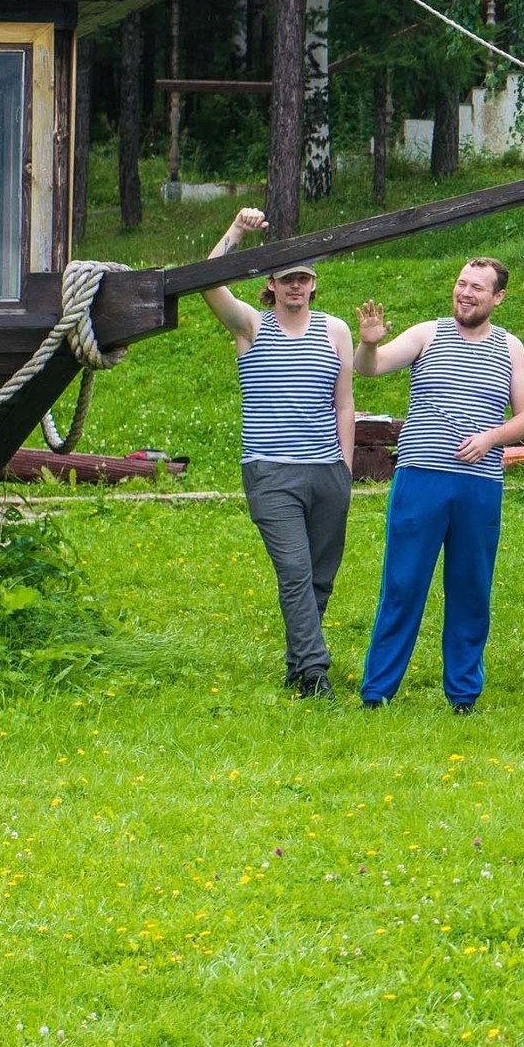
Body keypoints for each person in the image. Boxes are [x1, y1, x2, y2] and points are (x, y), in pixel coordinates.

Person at [353, 258, 524, 714]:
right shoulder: (427, 333)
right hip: (421, 478)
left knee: (471, 588)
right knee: (403, 583)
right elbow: (369, 369)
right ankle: (377, 692)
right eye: (461, 283)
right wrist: (367, 344)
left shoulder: (510, 347)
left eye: (478, 287)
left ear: (498, 298)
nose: (466, 292)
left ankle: (462, 694)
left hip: (479, 486)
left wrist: (491, 438)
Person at [200, 207, 355, 698]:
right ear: (270, 281)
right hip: (271, 472)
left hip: (328, 470)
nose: (295, 286)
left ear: (313, 284)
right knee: (294, 572)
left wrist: (345, 469)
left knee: (320, 579)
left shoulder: (335, 330)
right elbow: (207, 281)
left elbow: (344, 402)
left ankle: (297, 664)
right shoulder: (250, 325)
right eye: (286, 277)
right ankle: (314, 672)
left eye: (303, 278)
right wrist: (237, 232)